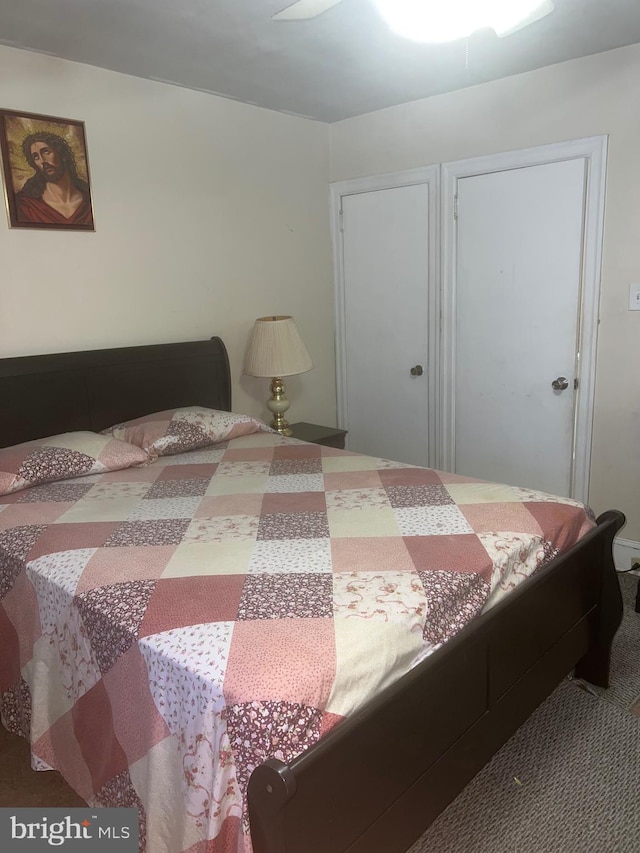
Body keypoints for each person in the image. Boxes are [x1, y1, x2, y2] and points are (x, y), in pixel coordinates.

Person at [15, 132, 94, 226]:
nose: (42, 161)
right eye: (36, 157)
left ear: (62, 154)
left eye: (46, 151)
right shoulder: (26, 205)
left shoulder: (90, 203)